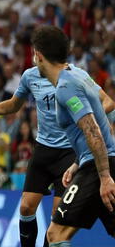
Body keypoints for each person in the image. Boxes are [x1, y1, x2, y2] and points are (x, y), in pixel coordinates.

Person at [0, 60, 115, 247]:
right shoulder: (30, 76)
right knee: (26, 206)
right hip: (43, 149)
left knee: (58, 215)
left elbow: (108, 102)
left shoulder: (76, 76)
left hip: (70, 153)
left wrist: (87, 117)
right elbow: (14, 105)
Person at [29, 26, 115, 246]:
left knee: (55, 234)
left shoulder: (65, 87)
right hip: (99, 162)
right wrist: (77, 162)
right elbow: (101, 117)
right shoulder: (79, 74)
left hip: (97, 169)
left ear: (38, 55)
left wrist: (104, 177)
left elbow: (92, 129)